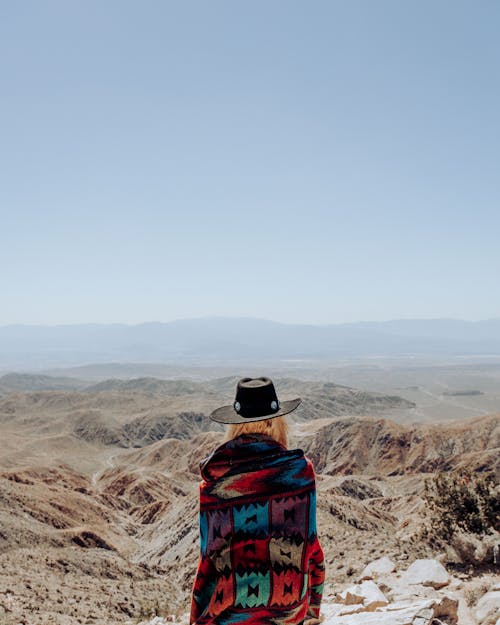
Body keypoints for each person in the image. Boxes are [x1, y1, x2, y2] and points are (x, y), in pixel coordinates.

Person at [190, 377, 325, 625]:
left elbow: (208, 560)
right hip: (288, 612)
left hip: (230, 615)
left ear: (234, 425)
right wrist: (311, 610)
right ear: (277, 422)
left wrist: (198, 619)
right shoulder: (300, 473)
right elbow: (311, 546)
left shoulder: (214, 484)